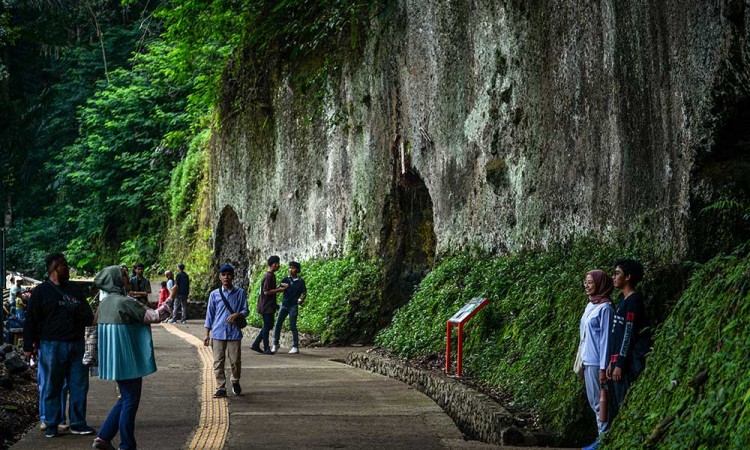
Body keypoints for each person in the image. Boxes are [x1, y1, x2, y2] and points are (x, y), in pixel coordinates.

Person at [91, 265, 173, 450]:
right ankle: (126, 445)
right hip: (128, 361)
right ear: (116, 279)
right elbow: (155, 316)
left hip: (114, 361)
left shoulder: (104, 304)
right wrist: (171, 297)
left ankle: (103, 437)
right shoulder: (125, 302)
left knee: (126, 397)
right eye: (124, 274)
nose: (128, 277)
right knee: (130, 400)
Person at [22, 253, 95, 438]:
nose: (67, 269)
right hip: (50, 345)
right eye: (64, 266)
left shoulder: (75, 291)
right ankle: (52, 424)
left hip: (77, 344)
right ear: (54, 269)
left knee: (79, 385)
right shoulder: (41, 292)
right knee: (51, 385)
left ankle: (78, 423)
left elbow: (88, 315)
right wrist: (28, 346)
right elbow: (30, 320)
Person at [606, 259, 650, 421]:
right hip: (618, 362)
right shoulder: (622, 301)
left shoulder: (633, 301)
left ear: (628, 277)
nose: (613, 277)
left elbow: (628, 334)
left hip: (628, 364)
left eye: (617, 273)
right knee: (616, 403)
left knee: (624, 403)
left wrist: (620, 364)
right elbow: (617, 335)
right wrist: (612, 361)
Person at [579, 269, 614, 450]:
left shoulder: (606, 308)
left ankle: (603, 439)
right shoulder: (590, 305)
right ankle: (601, 437)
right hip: (587, 360)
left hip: (596, 361)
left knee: (600, 402)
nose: (587, 285)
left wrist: (603, 367)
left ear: (600, 284)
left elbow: (606, 339)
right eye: (586, 282)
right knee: (594, 401)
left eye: (590, 282)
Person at [204, 264, 248, 398]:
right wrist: (207, 334)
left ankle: (235, 380)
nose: (226, 277)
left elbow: (246, 310)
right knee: (218, 361)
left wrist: (237, 315)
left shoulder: (240, 293)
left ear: (233, 276)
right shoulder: (214, 294)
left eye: (229, 274)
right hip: (218, 332)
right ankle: (221, 387)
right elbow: (210, 314)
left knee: (235, 361)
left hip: (234, 333)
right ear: (219, 277)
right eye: (223, 275)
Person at [251, 256, 287, 354]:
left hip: (269, 305)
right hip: (266, 306)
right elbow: (266, 292)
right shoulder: (268, 276)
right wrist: (279, 290)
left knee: (268, 326)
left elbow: (270, 290)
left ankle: (256, 344)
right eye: (277, 264)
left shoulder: (271, 275)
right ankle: (266, 347)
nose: (279, 266)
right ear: (273, 264)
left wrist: (278, 288)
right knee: (267, 326)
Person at [271, 261, 306, 354]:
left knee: (293, 326)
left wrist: (301, 300)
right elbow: (278, 288)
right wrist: (282, 288)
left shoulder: (301, 281)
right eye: (290, 268)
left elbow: (303, 293)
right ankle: (275, 344)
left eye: (293, 268)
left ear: (297, 270)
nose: (291, 270)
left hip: (293, 306)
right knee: (278, 324)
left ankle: (295, 346)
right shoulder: (286, 279)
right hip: (284, 305)